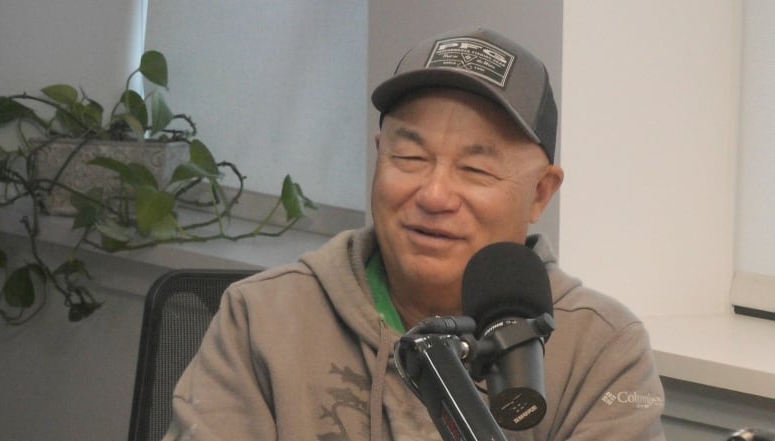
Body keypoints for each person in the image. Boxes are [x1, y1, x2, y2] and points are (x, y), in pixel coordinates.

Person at [161, 27, 666, 441]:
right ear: (379, 155)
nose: (434, 194)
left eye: (475, 169)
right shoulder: (265, 318)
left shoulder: (600, 349)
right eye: (410, 157)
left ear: (540, 194)